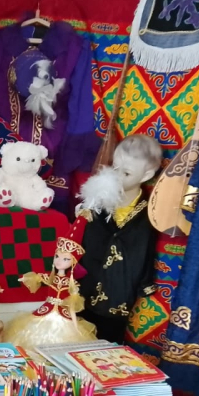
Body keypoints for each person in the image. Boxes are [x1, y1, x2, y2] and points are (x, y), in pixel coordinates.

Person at [77, 134, 162, 343]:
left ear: (146, 175)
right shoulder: (97, 202)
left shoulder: (150, 213)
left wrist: (145, 283)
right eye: (115, 168)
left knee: (107, 346)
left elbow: (146, 250)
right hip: (85, 286)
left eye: (126, 173)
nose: (117, 177)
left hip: (119, 294)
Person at [3, 217, 98, 349]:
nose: (59, 261)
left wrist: (75, 325)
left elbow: (71, 306)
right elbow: (38, 278)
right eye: (57, 256)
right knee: (30, 338)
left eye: (65, 259)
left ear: (73, 262)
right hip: (45, 311)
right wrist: (28, 278)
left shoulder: (71, 284)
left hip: (63, 318)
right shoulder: (52, 278)